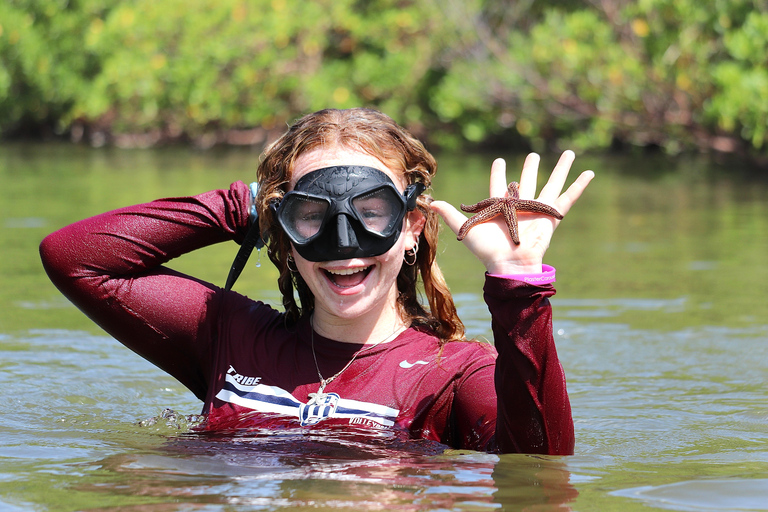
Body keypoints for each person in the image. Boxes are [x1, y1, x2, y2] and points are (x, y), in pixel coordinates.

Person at [40, 108, 593, 455]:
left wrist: (519, 286)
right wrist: (246, 204)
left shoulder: (450, 373)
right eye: (312, 214)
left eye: (371, 212)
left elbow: (540, 469)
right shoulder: (230, 336)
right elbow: (74, 258)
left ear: (411, 229)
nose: (344, 243)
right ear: (282, 229)